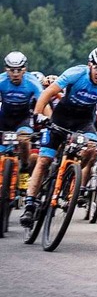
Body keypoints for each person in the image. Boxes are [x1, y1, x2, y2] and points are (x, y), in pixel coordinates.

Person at [19, 46, 97, 228]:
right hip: (61, 116)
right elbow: (48, 92)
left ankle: (71, 176)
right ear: (90, 64)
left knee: (92, 148)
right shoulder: (76, 73)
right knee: (44, 160)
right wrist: (38, 114)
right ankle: (30, 203)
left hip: (83, 121)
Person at [0, 51, 47, 192]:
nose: (15, 73)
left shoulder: (32, 82)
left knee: (25, 140)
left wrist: (50, 120)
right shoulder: (1, 81)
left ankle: (25, 168)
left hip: (23, 119)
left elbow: (43, 103)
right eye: (11, 70)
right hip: (3, 119)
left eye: (19, 70)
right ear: (5, 69)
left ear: (24, 69)